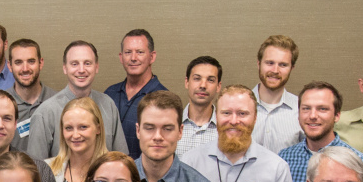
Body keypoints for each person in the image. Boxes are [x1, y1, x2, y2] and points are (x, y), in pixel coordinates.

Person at [180, 85, 294, 182]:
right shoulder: (190, 163)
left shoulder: (277, 169)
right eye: (226, 113)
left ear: (255, 118)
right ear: (216, 116)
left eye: (242, 114)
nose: (234, 121)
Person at [23, 41, 129, 158]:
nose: (81, 70)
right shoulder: (45, 112)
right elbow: (37, 169)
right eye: (74, 64)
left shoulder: (108, 105)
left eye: (87, 63)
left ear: (96, 67)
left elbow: (121, 158)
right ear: (65, 68)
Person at [279, 81, 363, 182]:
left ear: (337, 115)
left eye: (322, 109)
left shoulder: (358, 161)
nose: (313, 116)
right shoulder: (284, 158)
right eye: (306, 108)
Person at [104, 29, 165, 159]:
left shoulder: (163, 98)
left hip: (144, 176)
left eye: (140, 52)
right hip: (109, 175)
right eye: (128, 52)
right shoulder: (109, 94)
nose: (133, 58)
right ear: (121, 57)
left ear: (152, 56)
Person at [47, 97, 110, 182]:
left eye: (83, 127)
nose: (75, 135)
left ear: (98, 128)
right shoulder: (47, 169)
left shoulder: (114, 169)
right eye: (69, 128)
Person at [252, 35, 303, 153]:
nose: (275, 70)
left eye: (283, 65)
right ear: (258, 64)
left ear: (292, 68)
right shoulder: (237, 107)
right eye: (270, 63)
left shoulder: (302, 110)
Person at [178, 56, 222, 157]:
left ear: (218, 86)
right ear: (187, 82)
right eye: (197, 79)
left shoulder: (225, 129)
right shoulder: (171, 125)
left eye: (210, 80)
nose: (203, 85)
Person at [8, 38, 56, 129]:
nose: (25, 69)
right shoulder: (1, 104)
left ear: (40, 63)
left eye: (31, 61)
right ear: (10, 66)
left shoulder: (58, 103)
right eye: (18, 62)